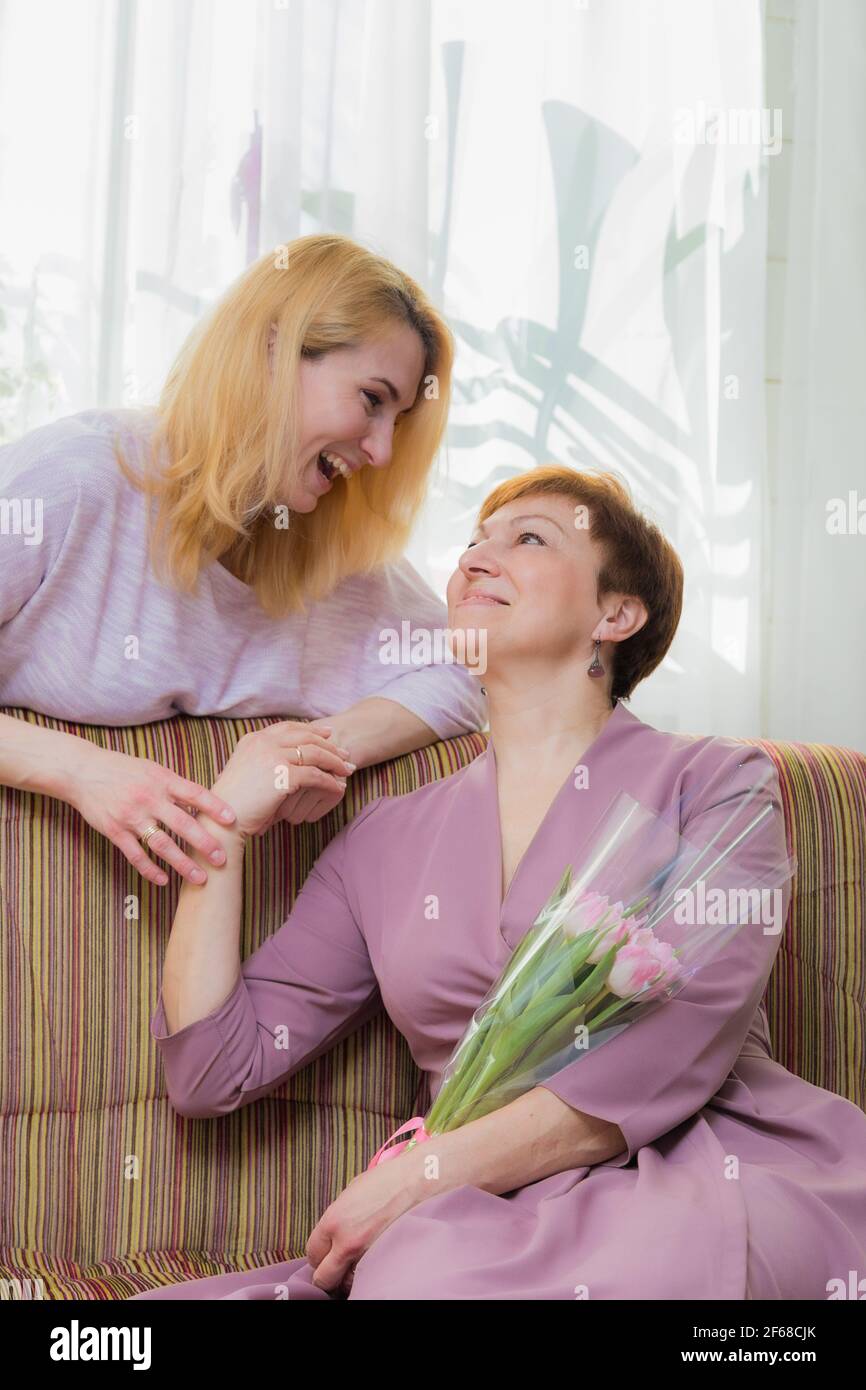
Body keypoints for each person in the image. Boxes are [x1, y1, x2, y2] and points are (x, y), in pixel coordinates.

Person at [128, 465, 866, 1301]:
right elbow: (211, 1071)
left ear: (616, 615)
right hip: (480, 1217)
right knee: (420, 1280)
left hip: (704, 1162)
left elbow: (686, 1033)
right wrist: (224, 826)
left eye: (529, 539)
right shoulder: (382, 839)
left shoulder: (719, 783)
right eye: (474, 542)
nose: (476, 559)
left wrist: (428, 1172)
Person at [0, 233, 485, 889]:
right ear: (273, 351)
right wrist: (83, 771)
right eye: (372, 400)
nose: (382, 453)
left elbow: (463, 666)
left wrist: (327, 747)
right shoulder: (75, 482)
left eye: (397, 421)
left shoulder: (326, 549)